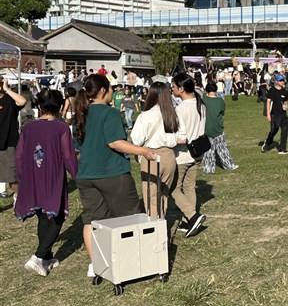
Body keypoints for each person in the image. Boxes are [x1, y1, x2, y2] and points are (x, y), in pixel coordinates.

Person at [73, 74, 156, 280]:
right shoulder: (110, 113)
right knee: (130, 217)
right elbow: (115, 142)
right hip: (111, 173)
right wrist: (143, 151)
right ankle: (133, 261)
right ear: (103, 91)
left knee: (93, 220)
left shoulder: (81, 113)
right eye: (110, 89)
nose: (112, 92)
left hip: (86, 174)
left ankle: (96, 263)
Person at [15, 89, 78, 276]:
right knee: (57, 216)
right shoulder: (61, 128)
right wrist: (78, 175)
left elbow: (19, 156)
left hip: (32, 176)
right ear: (59, 106)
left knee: (43, 216)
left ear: (39, 106)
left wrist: (22, 179)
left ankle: (47, 257)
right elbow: (68, 156)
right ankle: (38, 256)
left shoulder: (28, 127)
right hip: (52, 176)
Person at [130, 82, 181, 220]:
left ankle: (155, 228)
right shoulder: (172, 115)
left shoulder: (145, 116)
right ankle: (161, 222)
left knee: (151, 196)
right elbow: (178, 137)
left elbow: (136, 139)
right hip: (169, 156)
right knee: (163, 194)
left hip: (151, 156)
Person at [171, 73, 207, 237]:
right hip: (197, 152)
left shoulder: (180, 109)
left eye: (173, 86)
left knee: (173, 188)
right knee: (189, 187)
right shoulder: (201, 105)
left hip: (182, 155)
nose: (172, 89)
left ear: (181, 89)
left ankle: (192, 216)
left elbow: (180, 134)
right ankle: (188, 221)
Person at [0, 77, 29, 198]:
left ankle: (18, 199)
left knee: (13, 177)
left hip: (9, 144)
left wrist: (7, 89)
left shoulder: (9, 99)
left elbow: (22, 101)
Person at [201, 81, 238, 173]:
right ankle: (229, 165)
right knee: (222, 148)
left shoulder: (203, 100)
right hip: (218, 127)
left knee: (208, 149)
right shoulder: (220, 101)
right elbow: (222, 112)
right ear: (216, 90)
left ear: (206, 90)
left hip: (206, 127)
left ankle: (209, 168)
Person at [262, 74, 288, 154]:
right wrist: (268, 114)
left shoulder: (284, 91)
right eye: (281, 80)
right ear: (277, 81)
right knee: (274, 130)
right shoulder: (272, 90)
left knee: (285, 129)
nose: (282, 82)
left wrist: (285, 106)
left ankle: (282, 149)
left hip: (283, 114)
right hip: (274, 114)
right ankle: (267, 142)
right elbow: (268, 102)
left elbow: (286, 101)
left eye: (283, 80)